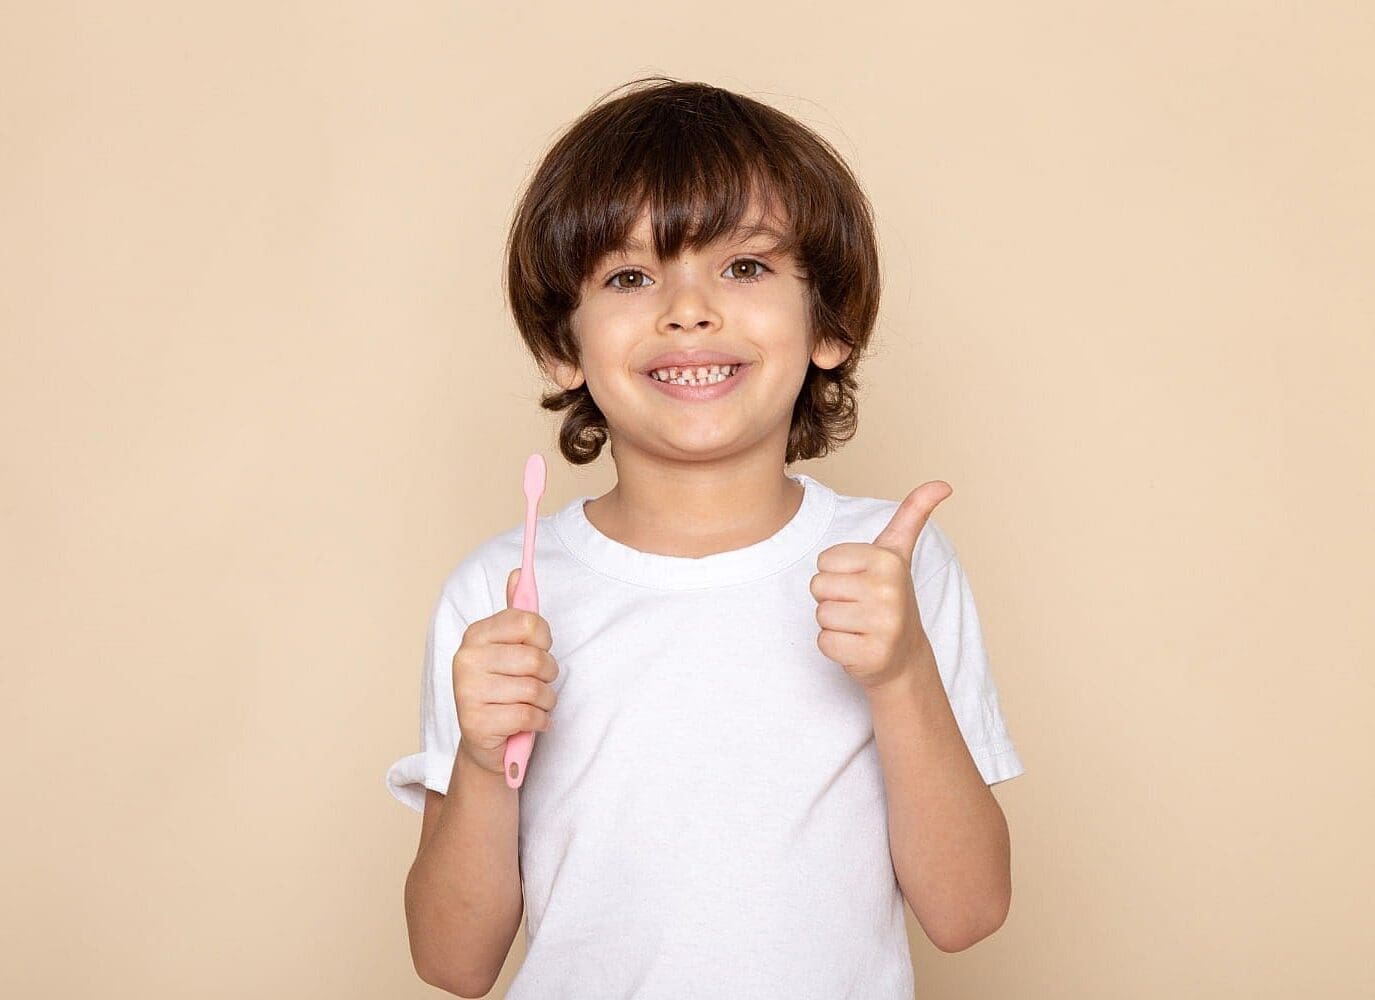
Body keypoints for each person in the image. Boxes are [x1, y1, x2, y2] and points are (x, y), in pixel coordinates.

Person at [385, 75, 1025, 999]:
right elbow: (453, 963)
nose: (688, 309)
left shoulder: (890, 567)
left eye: (744, 267)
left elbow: (966, 912)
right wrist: (483, 765)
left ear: (829, 324)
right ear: (563, 346)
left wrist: (900, 675)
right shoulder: (502, 591)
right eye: (629, 276)